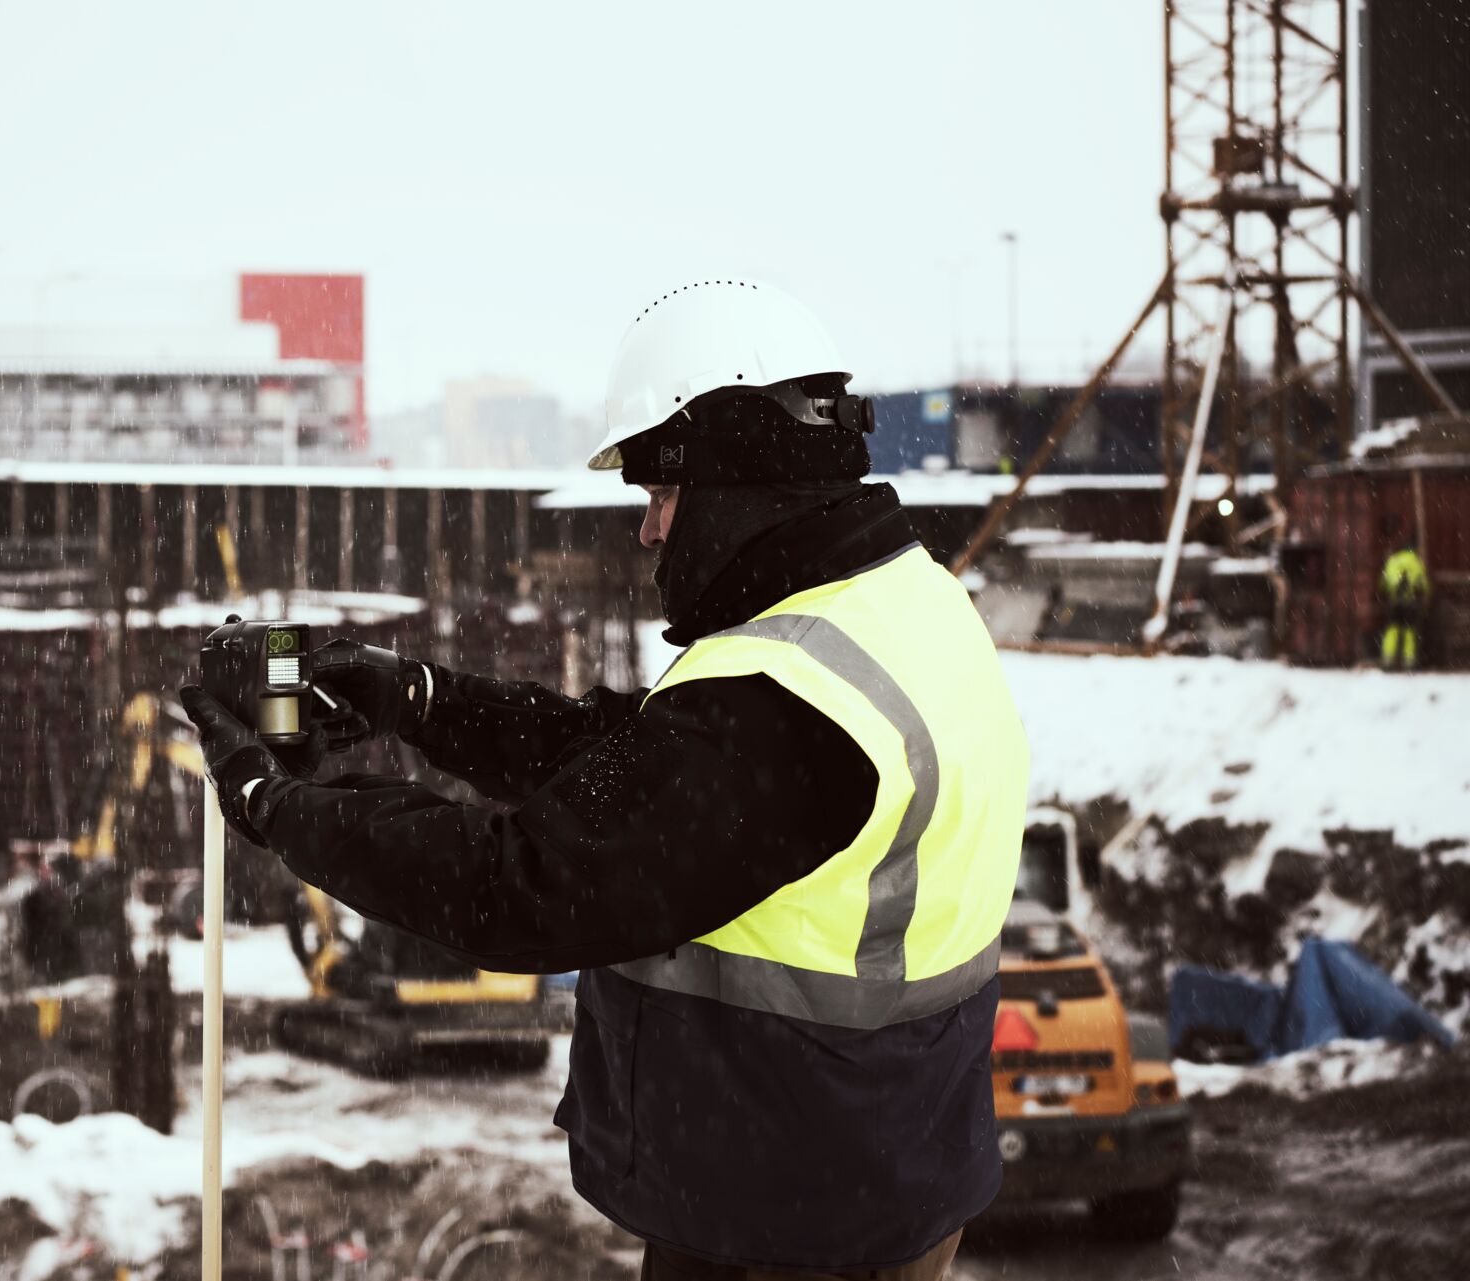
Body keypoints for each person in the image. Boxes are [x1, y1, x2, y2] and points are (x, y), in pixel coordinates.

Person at [182, 279, 1029, 1280]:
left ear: (737, 475)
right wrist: (411, 697)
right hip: (881, 1163)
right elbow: (637, 761)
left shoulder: (787, 703)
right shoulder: (897, 605)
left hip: (789, 1218)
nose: (649, 532)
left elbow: (524, 889)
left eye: (662, 496)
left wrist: (275, 808)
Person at [1378, 539, 1431, 671]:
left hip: (1394, 601)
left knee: (1392, 629)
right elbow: (1423, 584)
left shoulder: (1392, 561)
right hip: (1410, 602)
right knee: (1409, 631)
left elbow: (1383, 583)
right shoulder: (1417, 562)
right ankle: (1409, 662)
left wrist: (1386, 594)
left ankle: (1387, 660)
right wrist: (1425, 597)